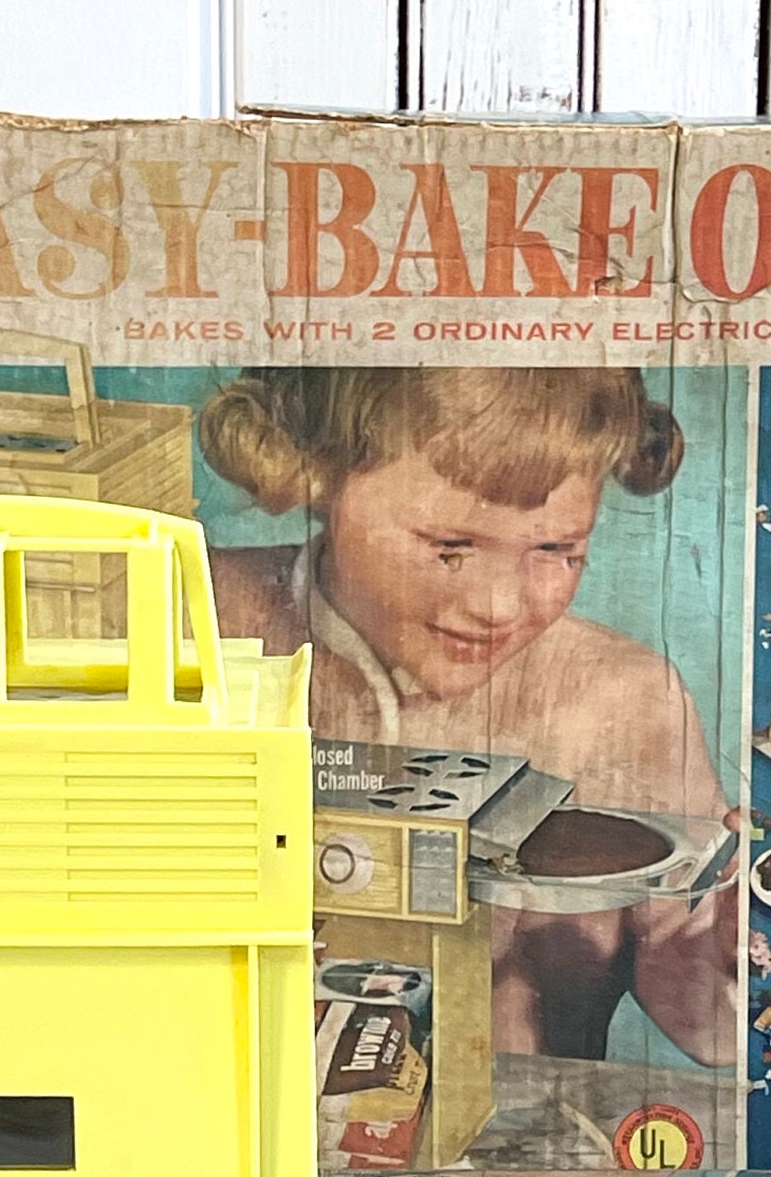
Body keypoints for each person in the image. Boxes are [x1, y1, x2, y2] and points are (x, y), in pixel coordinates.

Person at [201, 365, 738, 1065]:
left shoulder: (626, 696)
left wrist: (717, 955)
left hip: (510, 1161)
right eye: (448, 547)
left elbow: (704, 1027)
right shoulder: (185, 616)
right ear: (317, 478)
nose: (501, 607)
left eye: (556, 550)